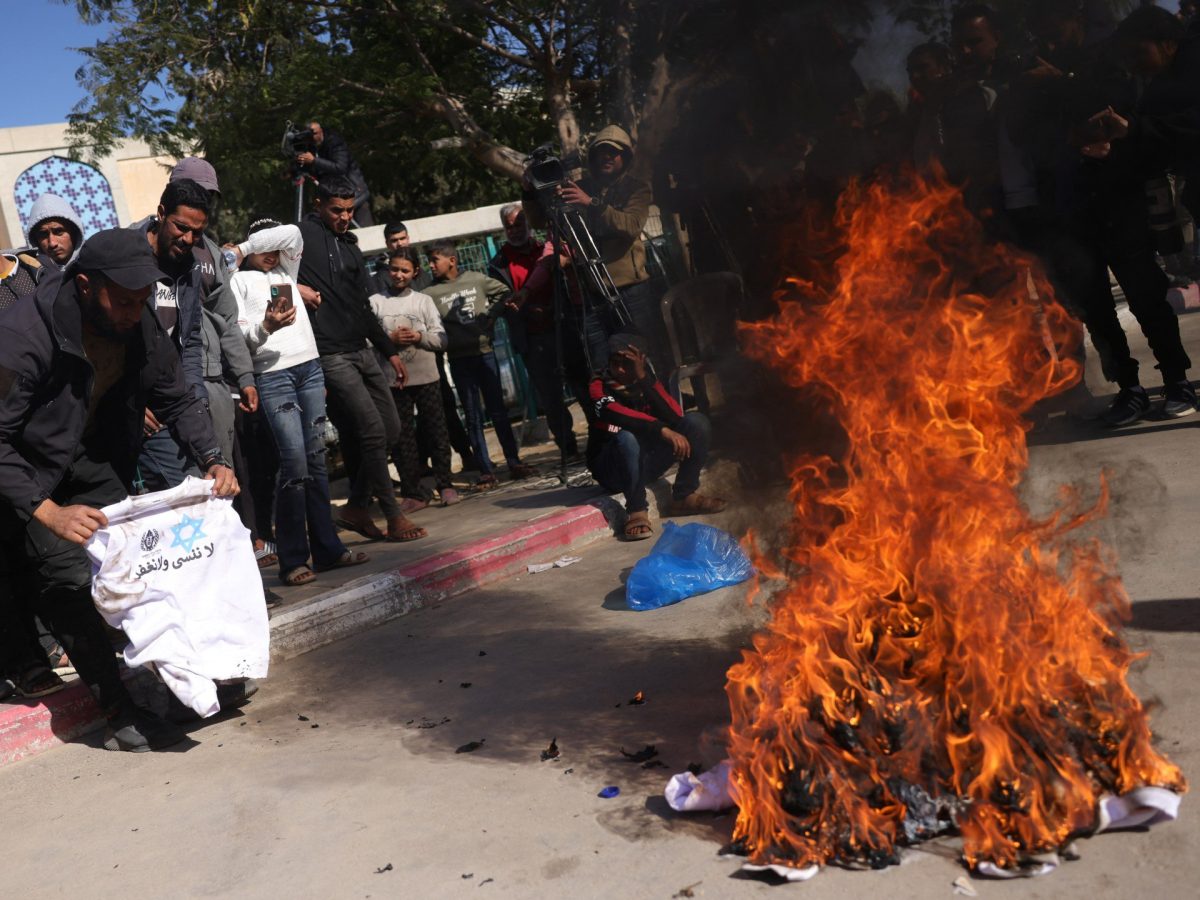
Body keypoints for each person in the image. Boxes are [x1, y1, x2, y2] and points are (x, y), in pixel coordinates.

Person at [0, 228, 238, 751]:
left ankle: (183, 680)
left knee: (134, 567)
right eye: (125, 300)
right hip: (31, 470)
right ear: (86, 286)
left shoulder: (137, 318)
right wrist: (49, 512)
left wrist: (213, 458)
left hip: (96, 454)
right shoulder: (21, 336)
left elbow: (174, 396)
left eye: (144, 299)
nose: (137, 311)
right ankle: (119, 711)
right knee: (66, 583)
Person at [227, 218, 371, 585]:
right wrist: (267, 327)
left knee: (316, 462)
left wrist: (246, 247)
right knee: (293, 466)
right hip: (273, 378)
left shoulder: (287, 269)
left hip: (310, 370)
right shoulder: (238, 280)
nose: (273, 253)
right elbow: (241, 339)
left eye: (274, 246)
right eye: (264, 247)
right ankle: (292, 559)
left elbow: (292, 233)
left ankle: (329, 550)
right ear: (252, 245)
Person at [297, 175, 424, 542]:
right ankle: (392, 514)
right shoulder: (299, 235)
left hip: (364, 350)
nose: (344, 216)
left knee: (392, 428)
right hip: (330, 354)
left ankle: (355, 505)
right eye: (337, 210)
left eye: (350, 210)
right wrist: (294, 287)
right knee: (370, 428)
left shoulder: (351, 246)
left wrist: (389, 352)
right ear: (319, 205)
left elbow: (363, 307)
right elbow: (260, 263)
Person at [524, 125, 660, 371]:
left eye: (613, 152)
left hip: (632, 290)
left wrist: (591, 204)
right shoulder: (580, 187)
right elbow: (540, 222)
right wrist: (530, 194)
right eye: (601, 152)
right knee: (603, 366)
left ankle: (659, 405)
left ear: (625, 157)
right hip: (592, 293)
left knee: (644, 362)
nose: (606, 157)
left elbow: (630, 225)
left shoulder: (636, 188)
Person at [587, 334, 724, 540]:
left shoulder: (647, 381)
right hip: (613, 468)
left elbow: (676, 417)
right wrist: (661, 429)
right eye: (616, 363)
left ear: (641, 362)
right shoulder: (598, 386)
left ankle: (684, 496)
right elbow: (616, 413)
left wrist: (643, 379)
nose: (621, 370)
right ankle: (636, 510)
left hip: (646, 462)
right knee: (626, 437)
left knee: (696, 422)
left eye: (627, 364)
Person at [425, 240, 537, 486]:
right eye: (429, 261)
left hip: (484, 353)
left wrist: (492, 316)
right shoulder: (429, 294)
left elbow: (505, 293)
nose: (430, 265)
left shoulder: (476, 280)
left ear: (451, 260)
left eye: (435, 260)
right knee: (473, 416)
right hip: (457, 359)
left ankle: (513, 461)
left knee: (498, 411)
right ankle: (485, 469)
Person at [130, 178, 212, 490]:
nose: (189, 238)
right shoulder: (127, 258)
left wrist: (196, 402)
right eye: (181, 227)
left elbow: (189, 341)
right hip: (131, 408)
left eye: (198, 232)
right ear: (161, 213)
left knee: (203, 484)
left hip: (174, 402)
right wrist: (130, 404)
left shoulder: (190, 267)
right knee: (185, 489)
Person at [488, 203, 581, 458]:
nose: (515, 230)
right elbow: (500, 301)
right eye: (510, 226)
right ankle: (568, 448)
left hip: (563, 327)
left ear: (528, 224)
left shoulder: (546, 250)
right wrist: (526, 311)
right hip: (532, 337)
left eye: (519, 224)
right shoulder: (498, 264)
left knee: (582, 384)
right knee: (551, 399)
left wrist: (552, 308)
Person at [369, 248, 458, 507]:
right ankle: (413, 491)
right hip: (393, 381)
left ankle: (445, 484)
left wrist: (419, 337)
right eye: (394, 269)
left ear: (414, 272)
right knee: (401, 437)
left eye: (404, 270)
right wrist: (389, 341)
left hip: (427, 377)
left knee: (437, 431)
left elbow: (441, 339)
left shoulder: (423, 301)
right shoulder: (375, 302)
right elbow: (365, 341)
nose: (398, 274)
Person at [293, 120, 374, 227]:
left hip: (354, 195)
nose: (313, 138)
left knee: (366, 232)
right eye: (308, 136)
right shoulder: (311, 147)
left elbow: (340, 167)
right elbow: (315, 172)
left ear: (321, 130)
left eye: (314, 133)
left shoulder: (335, 142)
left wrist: (314, 161)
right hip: (334, 200)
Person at [26, 194, 84, 270]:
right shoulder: (31, 277)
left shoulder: (95, 268)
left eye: (58, 232)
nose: (52, 244)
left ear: (73, 232)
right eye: (43, 235)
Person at [369, 222, 410, 295]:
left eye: (402, 238)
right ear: (387, 244)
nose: (399, 243)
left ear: (408, 239)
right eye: (394, 240)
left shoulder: (420, 272)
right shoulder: (380, 279)